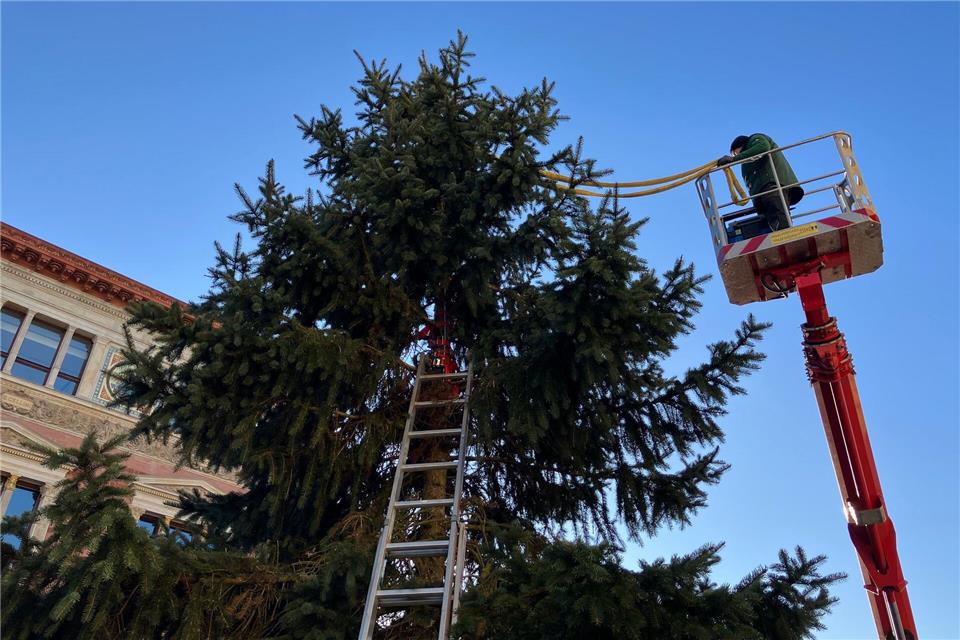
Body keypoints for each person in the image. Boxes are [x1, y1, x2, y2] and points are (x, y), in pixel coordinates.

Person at [717, 133, 804, 232]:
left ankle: (785, 235)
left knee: (777, 215)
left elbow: (763, 147)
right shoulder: (746, 163)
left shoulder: (755, 139)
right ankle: (779, 233)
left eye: (735, 153)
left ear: (739, 146)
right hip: (762, 195)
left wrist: (733, 159)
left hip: (771, 185)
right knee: (769, 221)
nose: (736, 155)